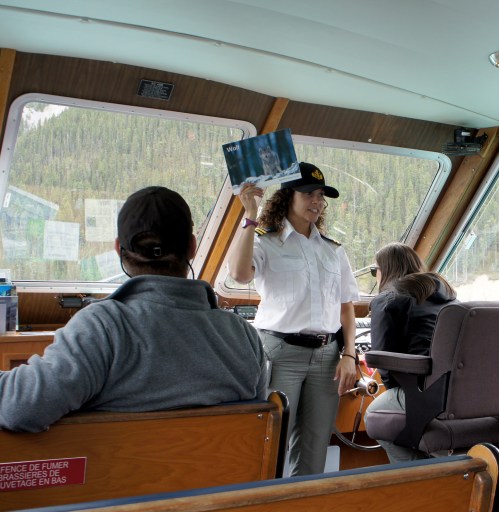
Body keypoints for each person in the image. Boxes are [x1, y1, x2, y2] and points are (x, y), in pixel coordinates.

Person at [0, 186, 269, 432]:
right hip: (222, 485)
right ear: (192, 247)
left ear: (119, 249)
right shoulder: (244, 337)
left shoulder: (103, 327)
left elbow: (21, 409)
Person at [226, 162, 359, 476]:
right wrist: (249, 216)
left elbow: (346, 308)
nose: (317, 201)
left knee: (314, 450)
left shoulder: (332, 250)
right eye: (308, 194)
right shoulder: (264, 240)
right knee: (271, 443)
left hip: (327, 357)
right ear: (287, 196)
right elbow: (239, 273)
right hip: (280, 354)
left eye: (321, 196)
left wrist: (350, 353)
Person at [363, 242, 457, 463]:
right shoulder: (450, 298)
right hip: (458, 391)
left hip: (423, 391)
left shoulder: (387, 300)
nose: (375, 275)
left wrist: (403, 392)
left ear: (385, 270)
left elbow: (383, 361)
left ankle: (412, 477)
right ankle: (428, 472)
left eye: (374, 270)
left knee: (374, 416)